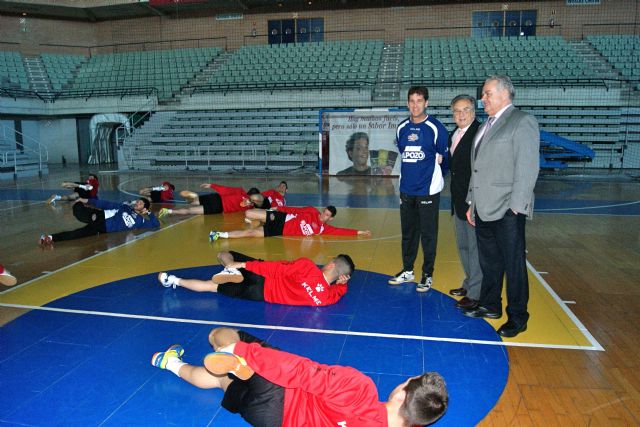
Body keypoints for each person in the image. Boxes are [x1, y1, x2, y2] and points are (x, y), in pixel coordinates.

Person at [151, 327, 448, 426]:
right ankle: (170, 364)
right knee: (218, 381)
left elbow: (300, 372)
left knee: (223, 335)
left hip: (279, 389)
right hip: (270, 419)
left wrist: (242, 348)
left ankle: (233, 354)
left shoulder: (360, 389)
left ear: (401, 394)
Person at [463, 75, 540, 338]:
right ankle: (490, 304)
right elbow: (478, 167)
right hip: (483, 207)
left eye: (487, 94)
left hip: (508, 208)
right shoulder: (487, 125)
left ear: (504, 93)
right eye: (483, 94)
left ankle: (518, 317)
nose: (482, 98)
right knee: (490, 262)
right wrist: (471, 201)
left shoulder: (522, 122)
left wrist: (516, 207)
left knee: (514, 265)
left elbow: (528, 167)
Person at [388, 86, 448, 293]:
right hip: (406, 190)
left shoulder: (436, 128)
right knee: (408, 234)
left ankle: (427, 274)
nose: (415, 105)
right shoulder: (401, 128)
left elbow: (444, 158)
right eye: (411, 101)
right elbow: (405, 155)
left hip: (428, 191)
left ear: (427, 103)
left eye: (419, 101)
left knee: (428, 235)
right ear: (407, 103)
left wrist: (435, 180)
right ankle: (407, 270)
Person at [157, 250, 354, 307]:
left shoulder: (308, 267)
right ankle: (173, 280)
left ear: (331, 264)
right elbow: (337, 292)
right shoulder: (325, 299)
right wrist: (342, 285)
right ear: (342, 277)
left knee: (224, 253)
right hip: (259, 294)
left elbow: (276, 269)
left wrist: (243, 265)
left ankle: (230, 268)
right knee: (211, 287)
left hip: (261, 275)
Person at [447, 95, 483, 310]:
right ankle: (469, 284)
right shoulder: (455, 134)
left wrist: (474, 202)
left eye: (465, 110)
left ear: (473, 111)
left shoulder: (479, 133)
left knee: (475, 248)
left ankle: (476, 292)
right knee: (463, 246)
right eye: (457, 111)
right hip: (457, 200)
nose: (461, 114)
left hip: (473, 201)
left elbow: (480, 171)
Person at [208, 206, 371, 240]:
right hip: (280, 218)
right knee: (249, 213)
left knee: (250, 234)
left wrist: (359, 232)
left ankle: (218, 234)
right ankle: (254, 222)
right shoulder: (312, 211)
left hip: (279, 230)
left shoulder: (323, 229)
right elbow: (294, 209)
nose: (323, 216)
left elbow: (341, 231)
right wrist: (278, 208)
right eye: (324, 212)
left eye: (327, 215)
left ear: (330, 219)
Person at [39, 198, 159, 244]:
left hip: (102, 229)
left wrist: (148, 213)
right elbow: (106, 203)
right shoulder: (125, 207)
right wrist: (86, 200)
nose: (137, 203)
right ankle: (78, 203)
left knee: (77, 234)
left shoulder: (140, 221)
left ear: (144, 208)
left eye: (140, 203)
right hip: (100, 216)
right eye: (137, 201)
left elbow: (155, 224)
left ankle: (50, 238)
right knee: (79, 213)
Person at [157, 183, 253, 218]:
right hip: (218, 207)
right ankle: (168, 211)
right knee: (190, 211)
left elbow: (225, 190)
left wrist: (212, 185)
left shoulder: (240, 191)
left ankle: (193, 197)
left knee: (191, 202)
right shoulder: (250, 207)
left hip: (216, 197)